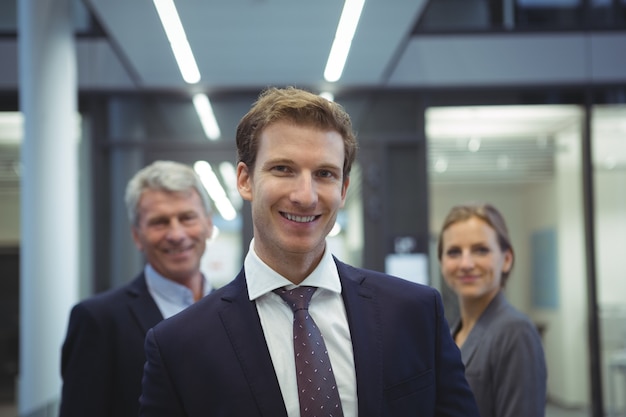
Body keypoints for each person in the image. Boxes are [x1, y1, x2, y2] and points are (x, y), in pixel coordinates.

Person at [139, 86, 480, 417]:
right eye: (283, 169)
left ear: (344, 189)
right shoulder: (179, 346)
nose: (306, 195)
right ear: (245, 180)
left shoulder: (415, 313)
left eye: (324, 174)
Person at [59, 160, 214, 417]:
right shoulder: (98, 320)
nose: (176, 234)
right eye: (159, 222)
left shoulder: (237, 310)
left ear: (208, 225)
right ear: (136, 235)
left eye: (187, 218)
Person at [437, 203, 547, 417]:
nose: (466, 263)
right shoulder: (452, 334)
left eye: (480, 250)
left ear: (506, 259)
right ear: (441, 262)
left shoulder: (515, 332)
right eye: (454, 252)